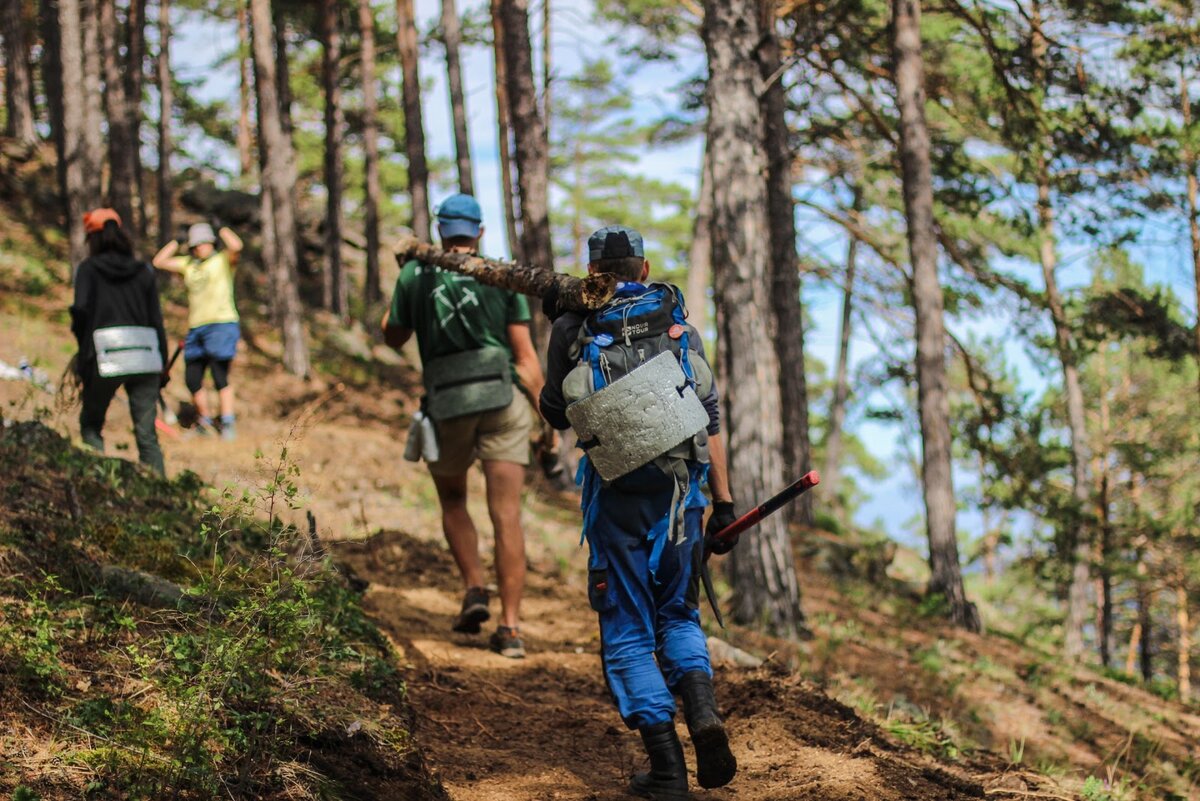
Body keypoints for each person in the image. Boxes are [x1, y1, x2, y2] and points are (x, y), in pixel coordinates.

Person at [539, 226, 740, 799]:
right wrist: (722, 505)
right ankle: (702, 712)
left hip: (617, 502)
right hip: (682, 498)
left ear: (592, 274)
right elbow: (710, 422)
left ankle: (669, 772)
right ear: (645, 269)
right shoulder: (679, 326)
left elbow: (556, 412)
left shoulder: (572, 327)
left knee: (627, 631)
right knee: (678, 615)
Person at [382, 193, 548, 659]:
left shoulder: (417, 271)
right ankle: (511, 628)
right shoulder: (501, 274)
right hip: (501, 400)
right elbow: (526, 359)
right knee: (506, 512)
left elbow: (392, 334)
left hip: (447, 402)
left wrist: (407, 282)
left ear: (440, 231)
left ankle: (475, 586)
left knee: (454, 498)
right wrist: (546, 418)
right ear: (478, 232)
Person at [70, 209, 169, 475]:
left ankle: (98, 483)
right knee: (147, 435)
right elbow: (157, 320)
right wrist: (164, 365)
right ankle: (163, 497)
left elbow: (80, 311)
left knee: (91, 423)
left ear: (93, 238)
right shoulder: (144, 271)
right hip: (147, 355)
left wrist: (83, 355)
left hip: (105, 355)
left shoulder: (88, 270)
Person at [152, 223, 243, 440]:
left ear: (212, 242)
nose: (201, 247)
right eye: (197, 243)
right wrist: (176, 241)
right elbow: (158, 261)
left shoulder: (222, 261)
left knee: (220, 376)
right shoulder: (188, 265)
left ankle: (227, 423)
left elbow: (237, 246)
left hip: (222, 324)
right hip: (196, 327)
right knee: (192, 378)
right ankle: (205, 421)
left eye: (205, 242)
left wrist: (221, 228)